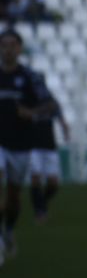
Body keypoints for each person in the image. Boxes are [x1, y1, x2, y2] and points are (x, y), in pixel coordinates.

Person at [0, 29, 54, 262]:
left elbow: (50, 104)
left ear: (20, 48)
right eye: (4, 44)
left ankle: (9, 230)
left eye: (12, 44)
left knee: (13, 199)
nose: (8, 48)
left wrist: (30, 112)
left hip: (21, 146)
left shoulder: (31, 77)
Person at [24, 70, 67, 223]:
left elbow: (60, 117)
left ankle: (41, 201)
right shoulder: (27, 101)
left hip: (49, 146)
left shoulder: (51, 103)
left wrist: (65, 129)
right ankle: (40, 211)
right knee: (35, 178)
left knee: (53, 183)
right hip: (33, 145)